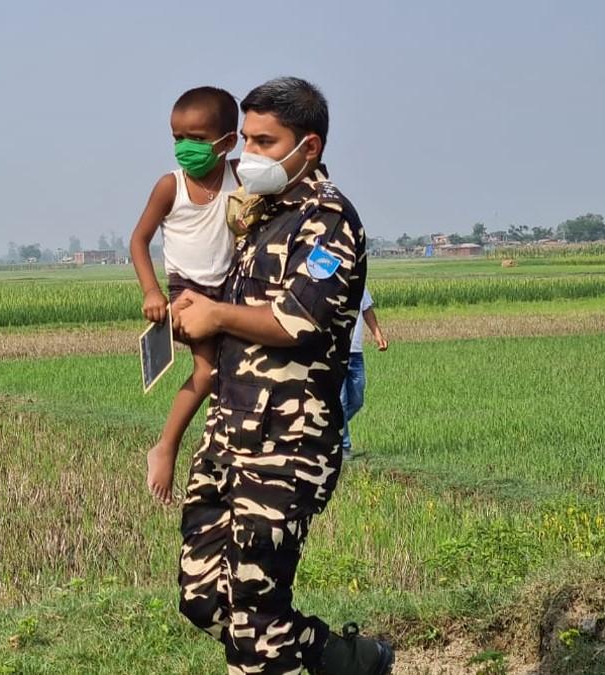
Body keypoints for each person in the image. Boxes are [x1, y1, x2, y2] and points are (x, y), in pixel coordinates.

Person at [172, 77, 393, 675]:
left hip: (287, 441)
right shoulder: (262, 216)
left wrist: (218, 314)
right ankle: (351, 660)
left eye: (265, 142)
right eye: (246, 139)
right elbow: (238, 316)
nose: (248, 154)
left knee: (255, 614)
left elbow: (300, 320)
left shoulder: (329, 220)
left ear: (309, 146)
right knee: (202, 598)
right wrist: (196, 318)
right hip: (228, 433)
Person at [129, 86, 240, 505]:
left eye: (196, 138)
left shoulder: (241, 179)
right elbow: (138, 241)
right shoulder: (169, 186)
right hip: (188, 293)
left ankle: (225, 452)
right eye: (178, 138)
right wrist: (152, 292)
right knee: (207, 372)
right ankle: (166, 446)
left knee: (235, 376)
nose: (185, 147)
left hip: (231, 290)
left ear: (228, 141)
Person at [341, 288, 388, 459]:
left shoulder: (360, 285)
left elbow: (366, 309)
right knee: (341, 401)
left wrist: (378, 335)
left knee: (356, 400)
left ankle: (326, 429)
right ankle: (344, 447)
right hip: (335, 352)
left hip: (355, 352)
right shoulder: (328, 283)